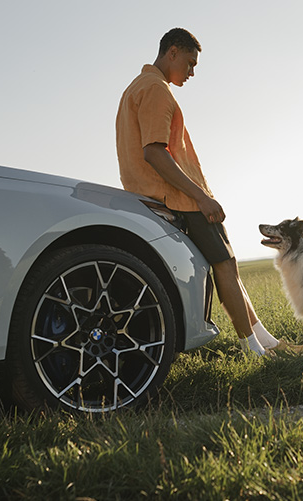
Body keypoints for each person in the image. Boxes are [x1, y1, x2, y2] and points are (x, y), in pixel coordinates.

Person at [116, 28, 286, 356]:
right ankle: (254, 350)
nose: (192, 72)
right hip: (179, 198)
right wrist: (201, 196)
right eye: (190, 63)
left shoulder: (135, 88)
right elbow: (154, 152)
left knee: (227, 266)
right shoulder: (155, 89)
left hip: (154, 197)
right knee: (225, 266)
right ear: (173, 52)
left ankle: (267, 342)